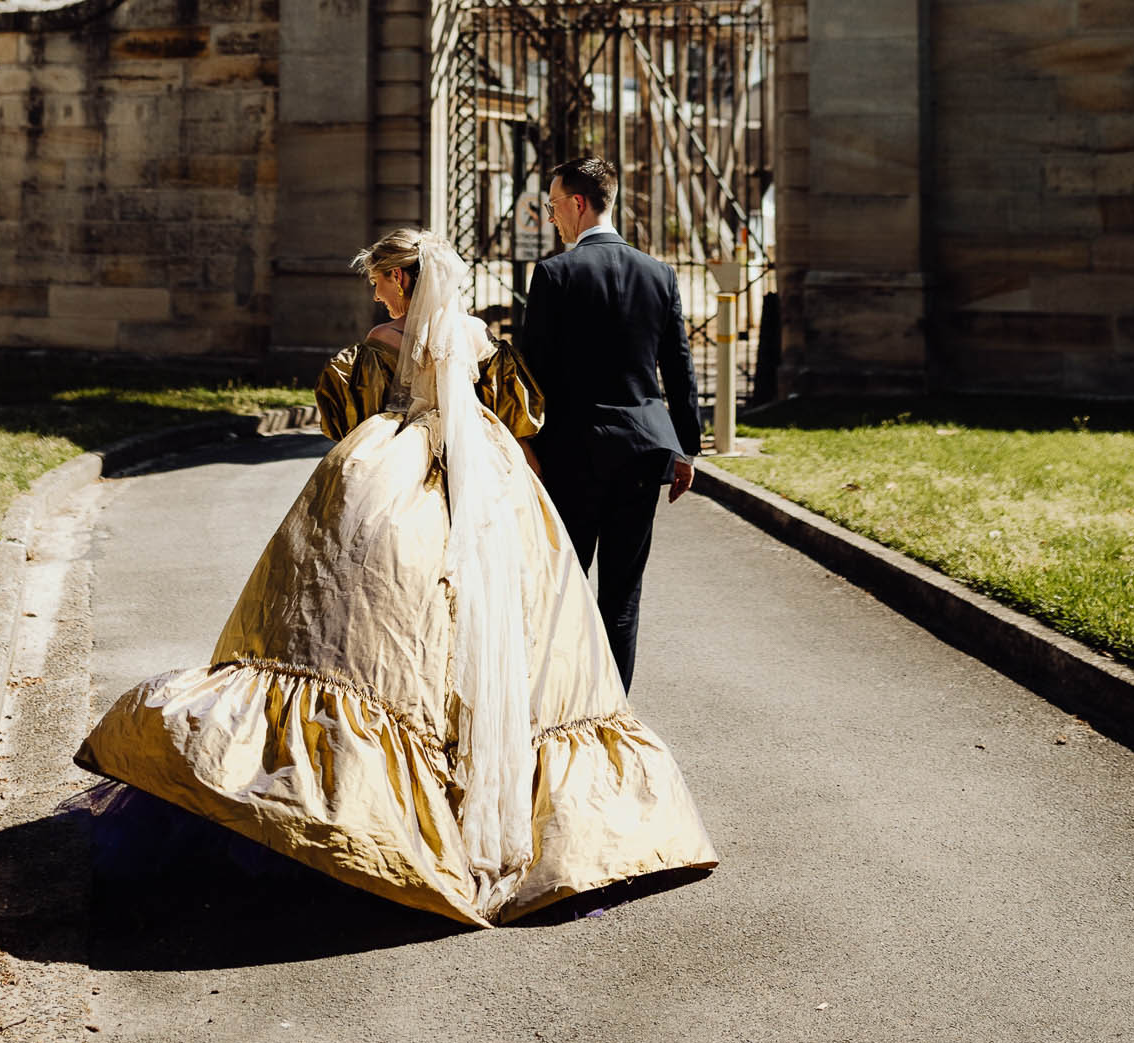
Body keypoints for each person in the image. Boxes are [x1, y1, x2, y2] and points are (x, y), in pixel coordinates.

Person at [76, 225, 715, 927]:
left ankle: (354, 800)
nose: (374, 291)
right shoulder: (481, 343)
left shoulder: (375, 348)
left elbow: (340, 415)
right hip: (489, 488)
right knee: (513, 618)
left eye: (380, 280)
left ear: (403, 281)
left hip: (390, 472)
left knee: (352, 607)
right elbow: (521, 413)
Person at [518, 156, 703, 692]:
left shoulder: (554, 274)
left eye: (554, 207)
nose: (553, 218)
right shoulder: (659, 273)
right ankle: (613, 709)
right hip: (643, 455)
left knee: (563, 586)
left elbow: (534, 373)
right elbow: (680, 370)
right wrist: (685, 450)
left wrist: (527, 442)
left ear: (578, 203)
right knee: (623, 594)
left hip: (571, 455)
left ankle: (564, 701)